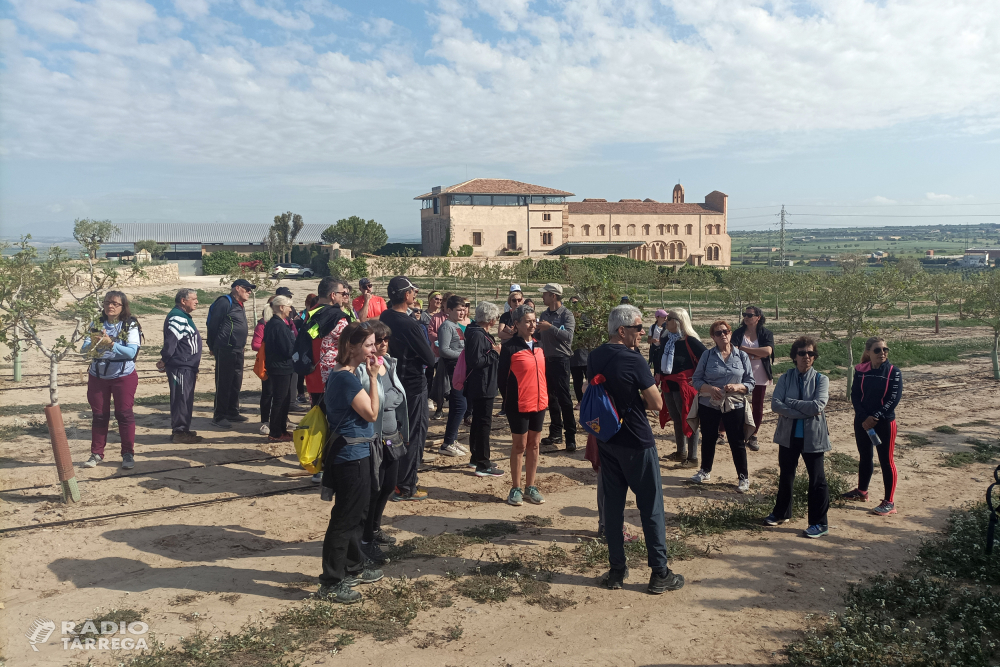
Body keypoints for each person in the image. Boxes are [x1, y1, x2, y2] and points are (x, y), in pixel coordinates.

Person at [588, 305, 683, 594]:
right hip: (636, 441)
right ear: (622, 330)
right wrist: (635, 401)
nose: (643, 332)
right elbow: (656, 404)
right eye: (638, 328)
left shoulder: (595, 356)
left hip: (608, 440)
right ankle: (659, 572)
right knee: (651, 507)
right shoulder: (633, 359)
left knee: (614, 507)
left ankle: (617, 570)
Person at [318, 322, 383, 604]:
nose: (374, 349)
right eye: (368, 344)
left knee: (356, 514)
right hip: (350, 457)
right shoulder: (346, 378)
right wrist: (373, 379)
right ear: (353, 347)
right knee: (344, 520)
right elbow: (371, 413)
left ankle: (354, 566)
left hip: (358, 454)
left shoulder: (348, 373)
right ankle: (332, 581)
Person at [764, 336, 831, 538]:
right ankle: (782, 513)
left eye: (810, 353)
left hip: (814, 437)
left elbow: (818, 405)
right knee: (786, 475)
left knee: (817, 480)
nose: (806, 357)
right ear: (794, 356)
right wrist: (805, 409)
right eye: (802, 353)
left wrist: (790, 404)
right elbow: (776, 404)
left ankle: (819, 523)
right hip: (789, 436)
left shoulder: (822, 379)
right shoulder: (785, 378)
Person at [355, 321, 409, 565]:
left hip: (392, 434)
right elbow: (370, 402)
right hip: (374, 438)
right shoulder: (361, 369)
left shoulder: (389, 363)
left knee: (388, 486)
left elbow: (396, 396)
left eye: (386, 339)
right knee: (373, 489)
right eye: (378, 340)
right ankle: (365, 539)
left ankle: (375, 529)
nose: (383, 344)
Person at [380, 276, 436, 502]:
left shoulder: (386, 316)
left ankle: (393, 478)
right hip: (412, 385)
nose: (415, 295)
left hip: (392, 382)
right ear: (405, 295)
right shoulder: (409, 324)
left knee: (394, 432)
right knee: (414, 434)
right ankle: (406, 486)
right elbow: (430, 359)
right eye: (413, 291)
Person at [690, 320, 755, 493]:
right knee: (709, 438)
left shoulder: (741, 356)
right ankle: (705, 471)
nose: (723, 335)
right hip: (709, 403)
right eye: (718, 333)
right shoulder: (707, 356)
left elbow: (750, 382)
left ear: (730, 333)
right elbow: (696, 380)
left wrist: (737, 387)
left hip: (734, 403)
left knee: (737, 441)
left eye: (725, 331)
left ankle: (743, 477)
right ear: (713, 337)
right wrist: (710, 389)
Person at [843, 336, 903, 516]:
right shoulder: (861, 371)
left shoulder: (894, 371)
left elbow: (894, 398)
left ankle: (889, 502)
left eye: (885, 349)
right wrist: (863, 417)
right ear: (868, 353)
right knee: (865, 456)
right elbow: (855, 395)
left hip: (884, 422)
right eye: (877, 350)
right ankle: (862, 491)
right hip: (862, 421)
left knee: (886, 460)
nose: (882, 353)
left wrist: (875, 417)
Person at [82, 291, 142, 469]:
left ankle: (128, 454)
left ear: (123, 307)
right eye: (107, 302)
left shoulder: (130, 325)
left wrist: (111, 344)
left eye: (115, 303)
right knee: (99, 415)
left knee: (124, 414)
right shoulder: (97, 323)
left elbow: (131, 353)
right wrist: (92, 343)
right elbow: (84, 350)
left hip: (123, 376)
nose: (110, 306)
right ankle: (96, 453)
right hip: (98, 375)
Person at [499, 304, 547, 502]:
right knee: (519, 445)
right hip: (518, 405)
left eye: (534, 320)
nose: (532, 324)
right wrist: (509, 401)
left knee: (534, 445)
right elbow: (501, 379)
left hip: (540, 403)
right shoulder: (509, 348)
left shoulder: (539, 345)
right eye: (527, 321)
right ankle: (516, 488)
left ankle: (531, 486)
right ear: (516, 324)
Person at [654, 309, 707, 467]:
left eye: (669, 318)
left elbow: (706, 357)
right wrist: (657, 372)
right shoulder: (666, 339)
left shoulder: (689, 340)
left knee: (689, 419)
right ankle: (681, 452)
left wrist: (697, 378)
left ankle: (693, 458)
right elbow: (659, 357)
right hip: (669, 384)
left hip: (685, 386)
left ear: (678, 321)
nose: (666, 320)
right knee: (677, 419)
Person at [157, 288, 203, 444]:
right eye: (194, 299)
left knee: (185, 397)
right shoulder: (177, 317)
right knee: (181, 398)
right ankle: (179, 432)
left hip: (186, 366)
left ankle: (183, 429)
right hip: (180, 366)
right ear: (183, 301)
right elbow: (171, 343)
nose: (197, 301)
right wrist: (164, 359)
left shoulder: (182, 316)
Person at [465, 301, 504, 477]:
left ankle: (476, 458)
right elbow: (475, 361)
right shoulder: (478, 335)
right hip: (482, 385)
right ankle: (483, 463)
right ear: (490, 319)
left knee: (479, 423)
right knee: (483, 425)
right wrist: (495, 353)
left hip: (484, 384)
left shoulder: (477, 332)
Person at [207, 279, 252, 429]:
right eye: (247, 289)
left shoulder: (239, 305)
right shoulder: (224, 302)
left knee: (236, 382)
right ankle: (219, 416)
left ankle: (232, 411)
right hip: (225, 348)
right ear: (237, 288)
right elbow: (213, 324)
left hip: (238, 349)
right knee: (224, 382)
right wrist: (212, 345)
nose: (249, 292)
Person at [537, 283, 577, 452]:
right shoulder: (544, 314)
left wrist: (550, 328)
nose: (542, 297)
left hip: (561, 360)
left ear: (553, 296)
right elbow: (538, 335)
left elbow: (568, 336)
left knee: (564, 399)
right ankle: (555, 433)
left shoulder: (567, 315)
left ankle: (570, 437)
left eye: (545, 294)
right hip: (546, 360)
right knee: (551, 398)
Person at [303, 278, 353, 408]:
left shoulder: (311, 313)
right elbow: (350, 343)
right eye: (342, 293)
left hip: (312, 373)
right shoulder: (338, 317)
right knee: (333, 418)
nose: (344, 296)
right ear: (333, 295)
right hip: (332, 376)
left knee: (317, 416)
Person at [731, 305, 774, 452]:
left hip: (760, 372)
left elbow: (767, 351)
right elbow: (733, 351)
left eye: (750, 315)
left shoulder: (766, 333)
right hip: (741, 372)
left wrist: (745, 350)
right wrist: (756, 355)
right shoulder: (738, 333)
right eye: (745, 315)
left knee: (758, 404)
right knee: (735, 401)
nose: (746, 317)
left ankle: (753, 434)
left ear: (758, 317)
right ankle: (726, 432)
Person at [437, 295, 470, 458]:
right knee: (459, 405)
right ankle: (447, 443)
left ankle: (452, 439)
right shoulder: (446, 327)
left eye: (463, 309)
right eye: (458, 309)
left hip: (460, 368)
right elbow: (444, 350)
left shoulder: (456, 325)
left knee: (460, 405)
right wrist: (464, 355)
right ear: (448, 310)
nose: (462, 312)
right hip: (454, 368)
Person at [262, 295, 297, 442]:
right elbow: (286, 349)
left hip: (281, 367)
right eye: (289, 306)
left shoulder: (275, 323)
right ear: (281, 307)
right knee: (280, 400)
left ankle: (282, 429)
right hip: (280, 367)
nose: (291, 309)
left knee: (284, 398)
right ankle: (276, 432)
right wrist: (296, 349)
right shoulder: (278, 325)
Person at [252, 296, 276, 435]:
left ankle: (281, 418)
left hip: (281, 364)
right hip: (267, 365)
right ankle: (265, 421)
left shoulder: (284, 322)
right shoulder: (262, 325)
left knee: (280, 394)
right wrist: (269, 347)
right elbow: (255, 344)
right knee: (268, 393)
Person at [427, 291, 453, 420]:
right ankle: (439, 407)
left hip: (454, 355)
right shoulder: (436, 318)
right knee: (440, 381)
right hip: (439, 354)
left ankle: (453, 405)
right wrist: (443, 339)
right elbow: (431, 333)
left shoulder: (457, 318)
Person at [568, 296, 590, 403]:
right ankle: (580, 401)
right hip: (574, 355)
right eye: (573, 304)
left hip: (586, 354)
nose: (575, 306)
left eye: (577, 304)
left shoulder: (586, 319)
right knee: (577, 380)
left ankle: (590, 399)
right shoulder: (568, 319)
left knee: (590, 379)